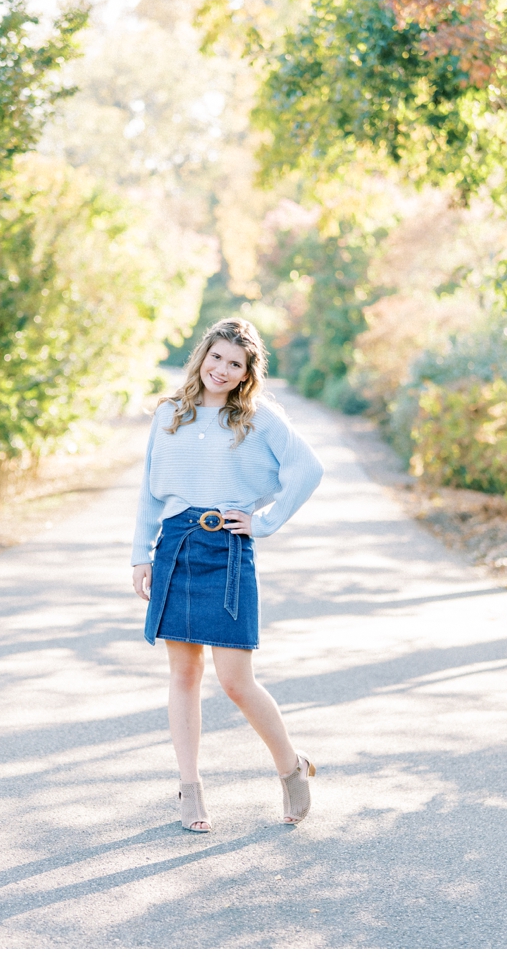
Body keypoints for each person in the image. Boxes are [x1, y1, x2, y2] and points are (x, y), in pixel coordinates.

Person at [132, 318, 324, 832]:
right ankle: (190, 789)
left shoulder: (258, 420)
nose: (222, 369)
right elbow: (150, 493)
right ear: (202, 357)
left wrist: (264, 522)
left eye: (234, 364)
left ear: (246, 374)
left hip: (228, 547)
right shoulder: (170, 414)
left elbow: (309, 469)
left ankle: (291, 768)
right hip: (176, 546)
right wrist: (140, 554)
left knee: (237, 681)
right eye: (216, 357)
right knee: (184, 674)